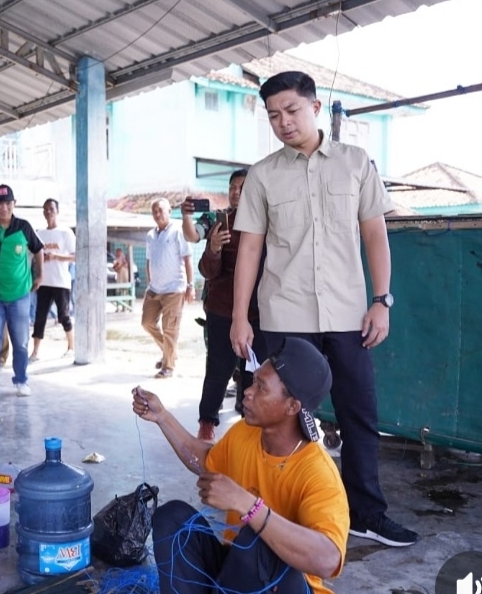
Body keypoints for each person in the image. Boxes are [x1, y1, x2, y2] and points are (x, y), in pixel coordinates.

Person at [230, 70, 418, 547]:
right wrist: (239, 317)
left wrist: (382, 300)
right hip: (285, 315)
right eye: (273, 115)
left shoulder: (355, 163)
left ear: (315, 107)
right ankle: (278, 515)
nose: (283, 122)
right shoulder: (262, 176)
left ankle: (366, 514)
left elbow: (375, 233)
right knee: (283, 419)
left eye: (292, 110)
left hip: (348, 315)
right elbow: (250, 248)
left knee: (359, 413)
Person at [133, 337, 349, 594]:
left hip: (285, 586)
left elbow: (328, 559)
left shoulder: (318, 472)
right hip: (237, 569)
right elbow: (207, 462)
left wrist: (248, 505)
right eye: (253, 381)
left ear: (292, 406)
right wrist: (162, 417)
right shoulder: (246, 433)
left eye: (261, 387)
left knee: (255, 540)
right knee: (172, 518)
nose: (247, 391)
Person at [195, 170, 265, 442]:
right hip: (222, 310)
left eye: (242, 187)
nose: (236, 192)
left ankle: (251, 428)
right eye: (232, 187)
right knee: (218, 369)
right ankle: (207, 423)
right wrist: (213, 249)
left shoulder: (267, 222)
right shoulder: (221, 224)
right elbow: (207, 271)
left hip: (259, 313)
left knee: (255, 372)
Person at [0, 184, 43, 404]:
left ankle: (21, 380)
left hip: (19, 295)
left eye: (8, 203)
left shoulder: (23, 227)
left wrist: (40, 275)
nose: (4, 207)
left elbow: (38, 248)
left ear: (14, 204)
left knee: (21, 342)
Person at [142, 198, 194, 379]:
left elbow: (188, 258)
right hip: (154, 289)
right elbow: (148, 260)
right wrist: (149, 282)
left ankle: (168, 367)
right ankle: (169, 352)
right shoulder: (150, 235)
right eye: (154, 211)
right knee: (147, 323)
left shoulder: (178, 230)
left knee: (170, 329)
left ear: (169, 211)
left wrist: (190, 285)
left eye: (160, 210)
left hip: (174, 289)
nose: (158, 214)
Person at [30, 198, 75, 361]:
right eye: (46, 209)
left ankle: (71, 346)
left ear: (57, 211)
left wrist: (56, 256)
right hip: (44, 281)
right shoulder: (39, 234)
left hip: (60, 282)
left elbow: (75, 256)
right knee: (40, 317)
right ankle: (35, 352)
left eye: (51, 209)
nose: (49, 212)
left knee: (64, 316)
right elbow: (33, 256)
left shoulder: (65, 233)